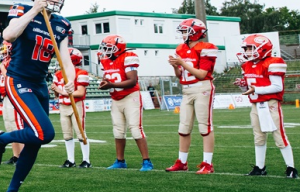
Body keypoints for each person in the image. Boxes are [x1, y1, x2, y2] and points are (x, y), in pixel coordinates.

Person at [0, 0, 76, 192]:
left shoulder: (62, 24)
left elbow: (66, 59)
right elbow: (8, 35)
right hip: (18, 79)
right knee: (44, 133)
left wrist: (72, 79)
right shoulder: (22, 9)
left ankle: (11, 191)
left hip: (40, 84)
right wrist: (34, 10)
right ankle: (3, 138)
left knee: (36, 141)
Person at [238, 35, 296, 178]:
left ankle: (291, 168)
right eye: (246, 49)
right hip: (255, 105)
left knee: (279, 136)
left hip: (270, 104)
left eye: (250, 48)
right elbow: (249, 89)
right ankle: (260, 167)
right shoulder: (247, 65)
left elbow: (277, 86)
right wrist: (242, 85)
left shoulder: (273, 62)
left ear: (262, 48)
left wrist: (255, 89)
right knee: (258, 137)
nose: (247, 52)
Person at [165, 18, 218, 174]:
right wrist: (176, 67)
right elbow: (179, 74)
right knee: (184, 127)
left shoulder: (207, 48)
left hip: (202, 88)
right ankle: (182, 162)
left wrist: (182, 63)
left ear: (195, 33)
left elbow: (202, 74)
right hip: (186, 90)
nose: (182, 34)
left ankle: (207, 164)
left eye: (184, 31)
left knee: (205, 126)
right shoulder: (181, 48)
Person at [98, 35, 152, 171]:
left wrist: (110, 85)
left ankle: (147, 161)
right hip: (116, 98)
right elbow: (108, 77)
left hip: (130, 96)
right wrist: (106, 82)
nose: (105, 50)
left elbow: (132, 80)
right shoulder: (105, 60)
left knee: (135, 129)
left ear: (118, 48)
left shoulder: (128, 57)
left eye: (108, 48)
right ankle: (120, 161)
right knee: (118, 130)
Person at [51, 48, 92, 168]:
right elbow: (57, 94)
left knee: (80, 133)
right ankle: (70, 160)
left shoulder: (81, 73)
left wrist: (60, 91)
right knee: (67, 134)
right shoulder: (58, 74)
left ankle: (86, 160)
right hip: (63, 105)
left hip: (76, 105)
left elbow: (80, 93)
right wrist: (55, 91)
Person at [0, 42, 22, 165]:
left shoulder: (15, 60)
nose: (2, 51)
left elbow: (12, 77)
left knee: (17, 126)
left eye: (4, 48)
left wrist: (2, 69)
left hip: (15, 94)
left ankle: (23, 155)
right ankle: (16, 155)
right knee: (9, 127)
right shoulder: (5, 61)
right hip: (6, 95)